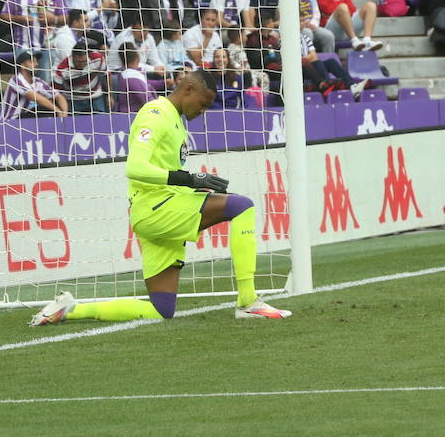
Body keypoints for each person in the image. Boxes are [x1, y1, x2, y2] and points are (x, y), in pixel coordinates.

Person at [31, 68, 288, 326]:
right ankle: (248, 300)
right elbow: (134, 167)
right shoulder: (156, 114)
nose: (203, 111)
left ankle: (68, 310)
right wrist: (189, 179)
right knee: (242, 207)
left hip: (158, 211)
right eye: (203, 104)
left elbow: (163, 169)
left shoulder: (174, 118)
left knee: (161, 309)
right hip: (156, 208)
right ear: (189, 89)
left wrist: (189, 187)